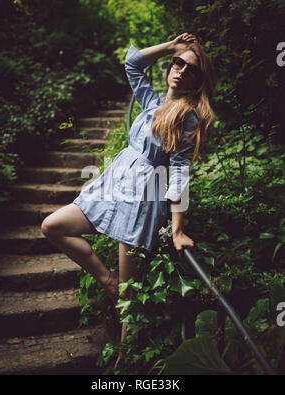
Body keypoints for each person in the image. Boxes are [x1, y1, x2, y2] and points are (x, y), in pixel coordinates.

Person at [41, 32, 216, 371]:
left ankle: (124, 362)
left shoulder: (187, 117)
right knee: (53, 226)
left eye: (190, 68)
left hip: (141, 201)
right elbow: (133, 63)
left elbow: (179, 174)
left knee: (129, 295)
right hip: (110, 188)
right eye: (177, 64)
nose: (180, 70)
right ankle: (105, 279)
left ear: (198, 80)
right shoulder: (152, 103)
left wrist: (177, 227)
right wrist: (170, 46)